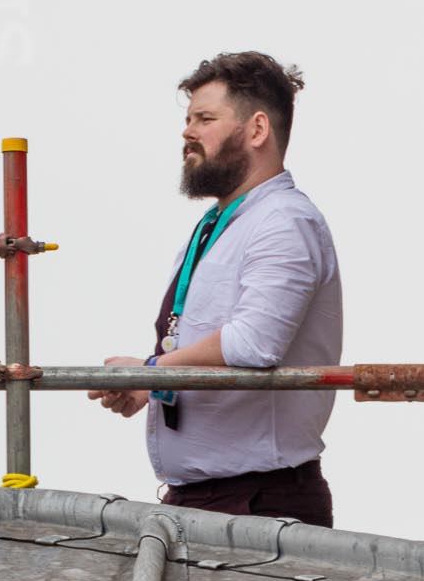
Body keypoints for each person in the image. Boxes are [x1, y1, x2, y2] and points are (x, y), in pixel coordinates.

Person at [85, 52, 343, 525]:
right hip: (212, 502)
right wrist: (153, 387)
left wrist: (151, 371)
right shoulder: (223, 223)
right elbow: (199, 339)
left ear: (257, 130)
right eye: (187, 119)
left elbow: (254, 342)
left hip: (260, 505)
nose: (187, 132)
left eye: (205, 118)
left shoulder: (283, 222)